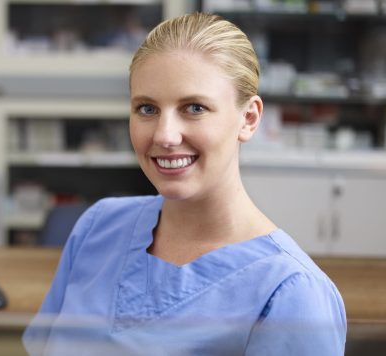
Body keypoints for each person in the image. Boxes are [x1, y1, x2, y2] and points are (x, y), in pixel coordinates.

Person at [22, 12, 347, 355]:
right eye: (147, 109)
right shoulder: (99, 227)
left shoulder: (290, 294)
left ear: (248, 119)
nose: (164, 135)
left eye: (194, 107)